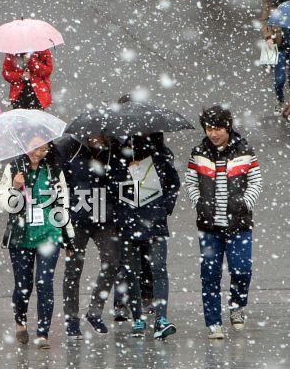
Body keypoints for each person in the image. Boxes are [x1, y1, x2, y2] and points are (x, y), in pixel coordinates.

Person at [185, 105, 262, 339]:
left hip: (239, 224)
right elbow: (191, 182)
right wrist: (199, 202)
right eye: (209, 128)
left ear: (228, 127)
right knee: (209, 274)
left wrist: (244, 204)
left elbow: (256, 182)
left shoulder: (245, 151)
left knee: (242, 268)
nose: (213, 133)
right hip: (209, 226)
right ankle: (213, 322)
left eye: (218, 128)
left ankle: (237, 306)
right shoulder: (198, 152)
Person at [0, 138, 74, 348]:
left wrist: (69, 237)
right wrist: (14, 187)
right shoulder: (14, 167)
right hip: (22, 235)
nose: (38, 152)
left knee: (44, 283)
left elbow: (63, 203)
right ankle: (20, 321)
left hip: (50, 233)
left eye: (43, 148)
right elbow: (4, 203)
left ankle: (43, 333)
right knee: (23, 285)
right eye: (34, 147)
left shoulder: (53, 170)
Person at [57, 133, 127, 338]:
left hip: (105, 216)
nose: (97, 138)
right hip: (77, 216)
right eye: (93, 135)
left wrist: (112, 168)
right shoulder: (69, 148)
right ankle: (71, 318)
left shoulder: (114, 150)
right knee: (73, 269)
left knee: (112, 262)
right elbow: (60, 182)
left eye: (102, 135)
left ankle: (95, 312)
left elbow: (120, 182)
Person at [113, 133, 180, 340]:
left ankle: (161, 318)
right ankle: (138, 319)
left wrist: (163, 208)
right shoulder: (119, 157)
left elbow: (173, 183)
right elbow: (111, 187)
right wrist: (126, 173)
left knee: (158, 269)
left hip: (154, 223)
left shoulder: (161, 156)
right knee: (133, 272)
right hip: (129, 222)